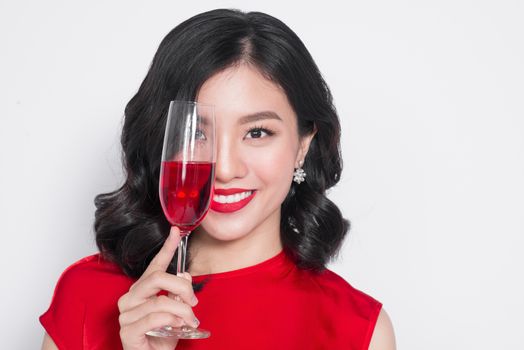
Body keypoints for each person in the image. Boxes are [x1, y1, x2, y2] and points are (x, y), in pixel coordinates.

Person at [40, 8, 396, 350]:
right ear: (163, 143)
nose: (224, 169)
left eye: (257, 132)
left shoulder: (357, 329)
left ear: (304, 143)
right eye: (197, 133)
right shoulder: (88, 295)